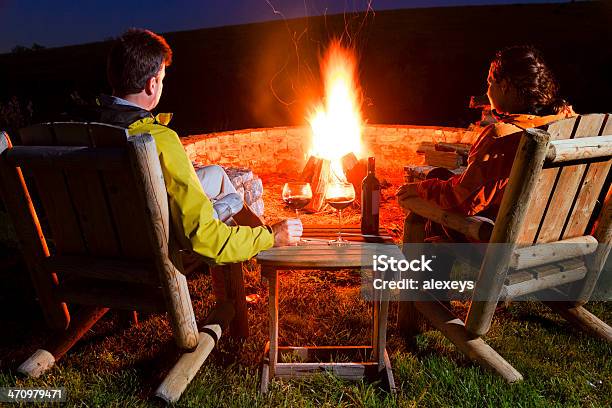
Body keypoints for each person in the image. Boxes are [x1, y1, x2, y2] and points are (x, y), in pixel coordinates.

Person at [84, 28, 302, 264]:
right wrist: (269, 237)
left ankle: (257, 238)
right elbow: (204, 239)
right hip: (152, 251)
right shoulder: (158, 140)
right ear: (151, 84)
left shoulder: (85, 131)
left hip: (99, 245)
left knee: (217, 175)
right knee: (230, 205)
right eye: (162, 79)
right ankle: (267, 240)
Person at [396, 45, 576, 243]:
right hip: (558, 232)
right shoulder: (568, 123)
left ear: (505, 85)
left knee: (435, 205)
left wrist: (418, 189)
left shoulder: (503, 136)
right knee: (437, 176)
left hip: (504, 241)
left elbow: (464, 201)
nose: (488, 91)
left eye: (490, 83)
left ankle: (427, 266)